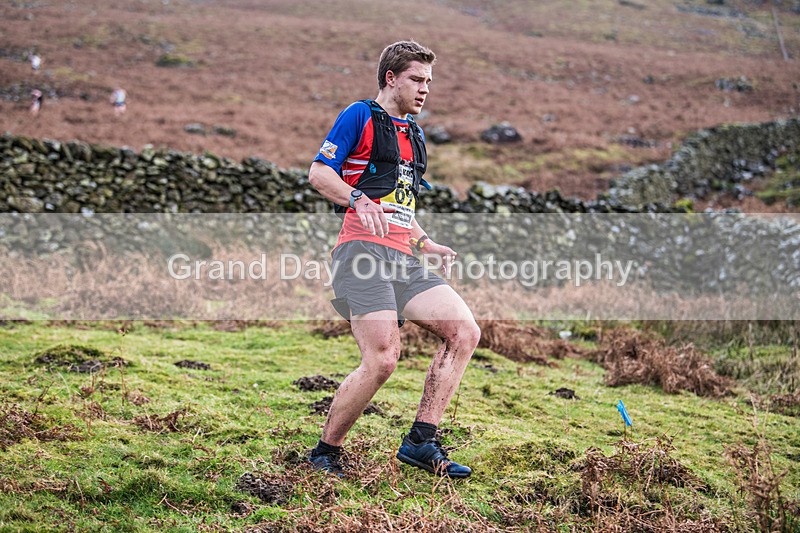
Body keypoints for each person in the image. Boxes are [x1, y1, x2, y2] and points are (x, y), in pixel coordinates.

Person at [306, 40, 481, 478]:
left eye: (429, 82)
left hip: (404, 256)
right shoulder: (360, 115)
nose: (425, 89)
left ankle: (422, 441)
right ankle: (325, 452)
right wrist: (358, 198)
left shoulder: (415, 135)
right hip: (360, 253)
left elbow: (402, 206)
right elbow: (319, 173)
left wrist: (426, 243)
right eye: (417, 80)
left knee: (464, 332)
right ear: (391, 78)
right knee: (383, 360)